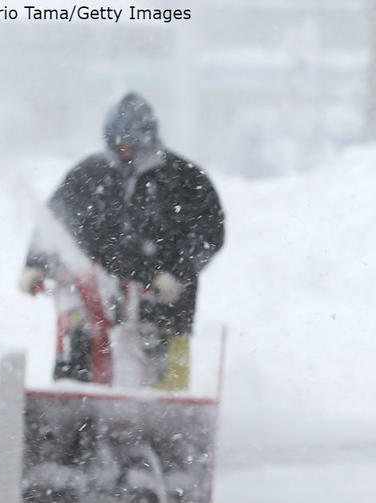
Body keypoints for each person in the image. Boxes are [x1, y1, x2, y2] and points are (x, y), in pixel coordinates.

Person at [19, 92, 225, 391]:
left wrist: (177, 275)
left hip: (166, 308)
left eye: (131, 143)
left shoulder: (184, 179)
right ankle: (76, 416)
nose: (124, 149)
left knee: (166, 388)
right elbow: (54, 223)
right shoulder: (88, 174)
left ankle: (164, 426)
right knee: (79, 364)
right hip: (97, 298)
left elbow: (210, 235)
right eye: (118, 143)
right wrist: (36, 264)